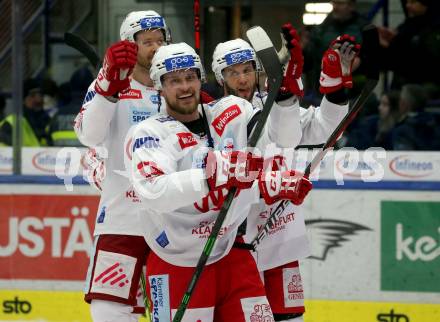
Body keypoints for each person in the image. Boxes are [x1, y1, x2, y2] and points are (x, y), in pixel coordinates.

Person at [130, 42, 312, 322]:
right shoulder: (148, 133)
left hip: (230, 253)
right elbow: (154, 190)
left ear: (201, 77)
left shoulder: (231, 112)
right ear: (159, 86)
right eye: (175, 80)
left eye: (190, 77)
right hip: (175, 259)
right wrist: (212, 174)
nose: (185, 86)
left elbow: (282, 140)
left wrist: (285, 101)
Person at [211, 26, 357, 321]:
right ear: (220, 78)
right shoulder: (217, 112)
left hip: (279, 235)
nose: (242, 78)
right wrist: (284, 98)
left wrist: (335, 91)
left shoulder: (273, 105)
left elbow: (323, 129)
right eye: (232, 72)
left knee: (290, 319)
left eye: (247, 70)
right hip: (237, 242)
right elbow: (272, 137)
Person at [74, 10, 170, 322]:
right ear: (129, 44)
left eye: (160, 39)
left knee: (170, 312)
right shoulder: (108, 83)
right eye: (147, 42)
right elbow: (89, 134)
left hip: (174, 222)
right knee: (107, 309)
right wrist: (107, 85)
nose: (155, 47)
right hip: (122, 218)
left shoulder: (181, 86)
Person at [303, 0, 368, 99]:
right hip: (325, 91)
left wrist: (359, 62)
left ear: (351, 6)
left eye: (340, 3)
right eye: (334, 3)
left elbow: (372, 59)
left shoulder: (364, 28)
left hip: (356, 93)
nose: (335, 7)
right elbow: (310, 60)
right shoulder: (322, 28)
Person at [378, 0, 440, 91]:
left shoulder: (435, 29)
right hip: (402, 85)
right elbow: (391, 62)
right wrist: (385, 46)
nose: (407, 6)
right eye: (406, 2)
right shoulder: (406, 26)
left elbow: (427, 63)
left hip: (427, 85)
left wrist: (395, 44)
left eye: (413, 2)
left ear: (426, 6)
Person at [49, 66, 94, 146]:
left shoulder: (57, 116)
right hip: (87, 158)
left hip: (61, 158)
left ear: (71, 87)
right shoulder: (98, 115)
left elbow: (47, 144)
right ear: (93, 88)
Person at [0, 78, 51, 146]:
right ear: (23, 99)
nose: (39, 99)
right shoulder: (12, 123)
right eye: (33, 95)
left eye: (40, 94)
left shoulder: (48, 121)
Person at [391, 84, 439, 150]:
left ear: (404, 103)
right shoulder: (435, 123)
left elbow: (402, 158)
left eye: (400, 99)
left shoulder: (403, 130)